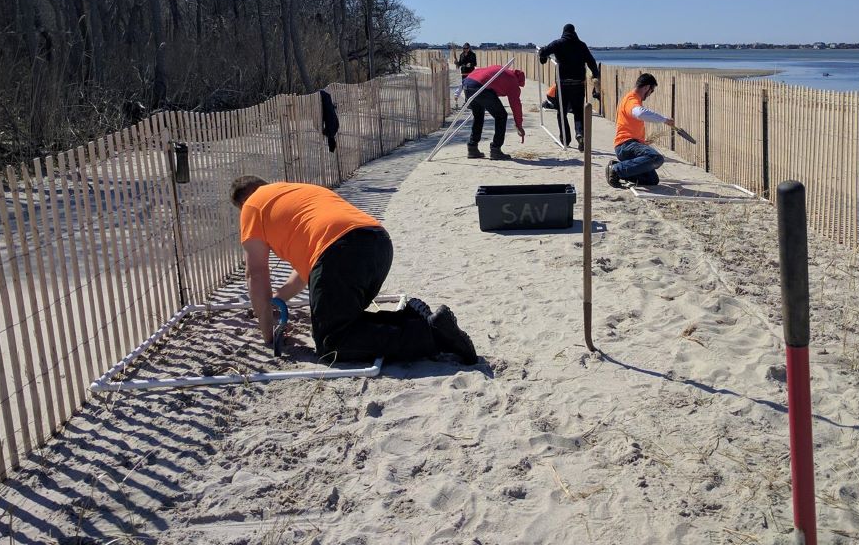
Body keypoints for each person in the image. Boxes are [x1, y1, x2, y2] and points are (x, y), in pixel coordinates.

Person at [231, 176, 478, 365]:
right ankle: (415, 319)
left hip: (340, 252)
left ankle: (434, 336)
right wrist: (278, 300)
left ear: (242, 204)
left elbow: (256, 273)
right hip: (376, 243)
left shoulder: (252, 207)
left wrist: (267, 332)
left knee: (333, 342)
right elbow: (307, 272)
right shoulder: (294, 192)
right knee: (347, 321)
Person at [606, 73, 674, 188]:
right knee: (656, 158)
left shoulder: (632, 99)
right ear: (647, 87)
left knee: (652, 180)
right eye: (651, 91)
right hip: (626, 145)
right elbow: (640, 113)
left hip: (631, 145)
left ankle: (617, 166)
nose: (650, 94)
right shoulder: (631, 99)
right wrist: (664, 119)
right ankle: (616, 170)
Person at [538, 23, 600, 151]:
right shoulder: (581, 45)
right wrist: (596, 75)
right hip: (578, 84)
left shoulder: (558, 43)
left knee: (562, 113)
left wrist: (542, 55)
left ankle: (565, 139)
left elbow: (544, 52)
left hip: (562, 85)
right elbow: (591, 62)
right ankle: (580, 134)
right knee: (578, 112)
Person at [462, 65, 527, 160]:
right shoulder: (513, 81)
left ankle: (472, 148)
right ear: (519, 81)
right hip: (481, 87)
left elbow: (481, 72)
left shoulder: (502, 70)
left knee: (478, 116)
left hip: (468, 84)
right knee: (501, 116)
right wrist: (519, 125)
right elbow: (516, 105)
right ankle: (496, 149)